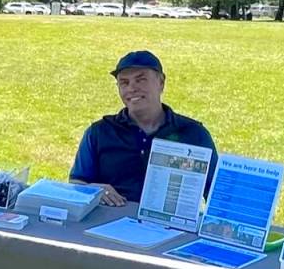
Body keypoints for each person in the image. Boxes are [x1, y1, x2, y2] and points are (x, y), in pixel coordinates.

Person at [69, 51, 216, 206]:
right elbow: (76, 184)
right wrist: (93, 190)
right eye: (124, 83)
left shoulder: (193, 134)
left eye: (141, 80)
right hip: (109, 224)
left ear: (161, 82)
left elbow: (216, 193)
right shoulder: (99, 132)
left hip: (172, 226)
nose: (132, 88)